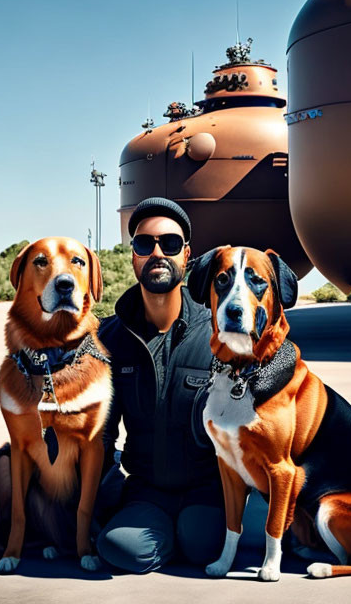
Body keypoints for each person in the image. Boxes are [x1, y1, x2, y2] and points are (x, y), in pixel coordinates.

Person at [96, 197, 226, 573]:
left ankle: (182, 533)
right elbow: (99, 433)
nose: (157, 253)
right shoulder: (111, 339)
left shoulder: (216, 333)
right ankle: (162, 532)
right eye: (143, 243)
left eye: (169, 244)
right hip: (145, 490)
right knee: (119, 548)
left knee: (202, 545)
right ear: (133, 255)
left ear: (186, 255)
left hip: (207, 488)